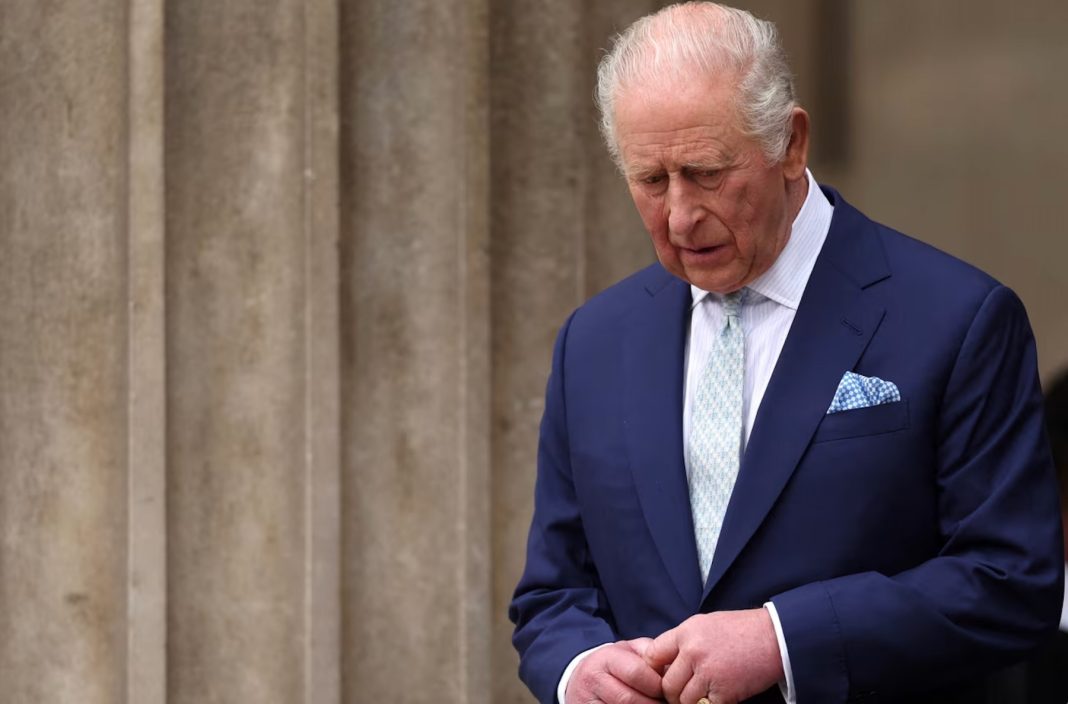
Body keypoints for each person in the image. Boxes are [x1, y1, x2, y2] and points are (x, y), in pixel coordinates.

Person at [508, 3, 1064, 703]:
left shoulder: (959, 318)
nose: (679, 215)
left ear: (791, 144)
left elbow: (1011, 582)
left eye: (706, 173)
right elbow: (552, 593)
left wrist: (784, 639)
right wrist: (578, 670)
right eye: (651, 181)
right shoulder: (593, 340)